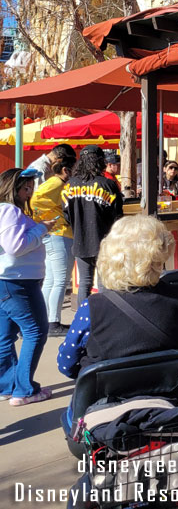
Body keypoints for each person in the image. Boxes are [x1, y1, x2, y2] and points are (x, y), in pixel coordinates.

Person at [57, 216, 178, 429]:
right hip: (167, 403)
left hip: (105, 409)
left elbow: (66, 363)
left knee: (67, 419)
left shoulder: (93, 307)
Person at [0, 168, 56, 405]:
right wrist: (42, 227)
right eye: (26, 188)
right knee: (35, 332)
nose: (29, 192)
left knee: (5, 336)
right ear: (13, 188)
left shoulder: (7, 211)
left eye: (31, 188)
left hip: (9, 281)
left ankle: (8, 385)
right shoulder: (10, 211)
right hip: (18, 282)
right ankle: (24, 390)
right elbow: (16, 245)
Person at [63, 146, 123, 305]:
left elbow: (66, 213)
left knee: (85, 282)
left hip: (80, 240)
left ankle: (82, 319)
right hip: (103, 240)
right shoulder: (107, 184)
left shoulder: (70, 185)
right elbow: (117, 214)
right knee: (104, 283)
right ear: (100, 161)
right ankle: (103, 317)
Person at [30, 158, 75, 336]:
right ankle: (53, 322)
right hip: (58, 233)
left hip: (52, 233)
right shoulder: (57, 182)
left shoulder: (53, 182)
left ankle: (47, 319)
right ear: (65, 170)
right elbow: (36, 200)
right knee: (60, 280)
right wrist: (51, 215)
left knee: (50, 280)